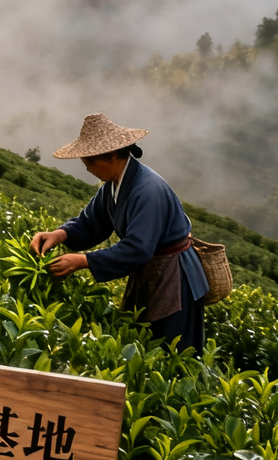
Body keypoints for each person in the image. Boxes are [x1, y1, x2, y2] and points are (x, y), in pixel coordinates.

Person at [29, 112, 209, 352]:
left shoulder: (148, 190)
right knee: (143, 345)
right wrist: (59, 234)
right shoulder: (113, 185)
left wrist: (83, 261)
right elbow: (91, 223)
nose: (88, 169)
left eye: (90, 162)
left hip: (174, 279)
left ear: (113, 155)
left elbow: (137, 249)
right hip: (151, 273)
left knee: (174, 350)